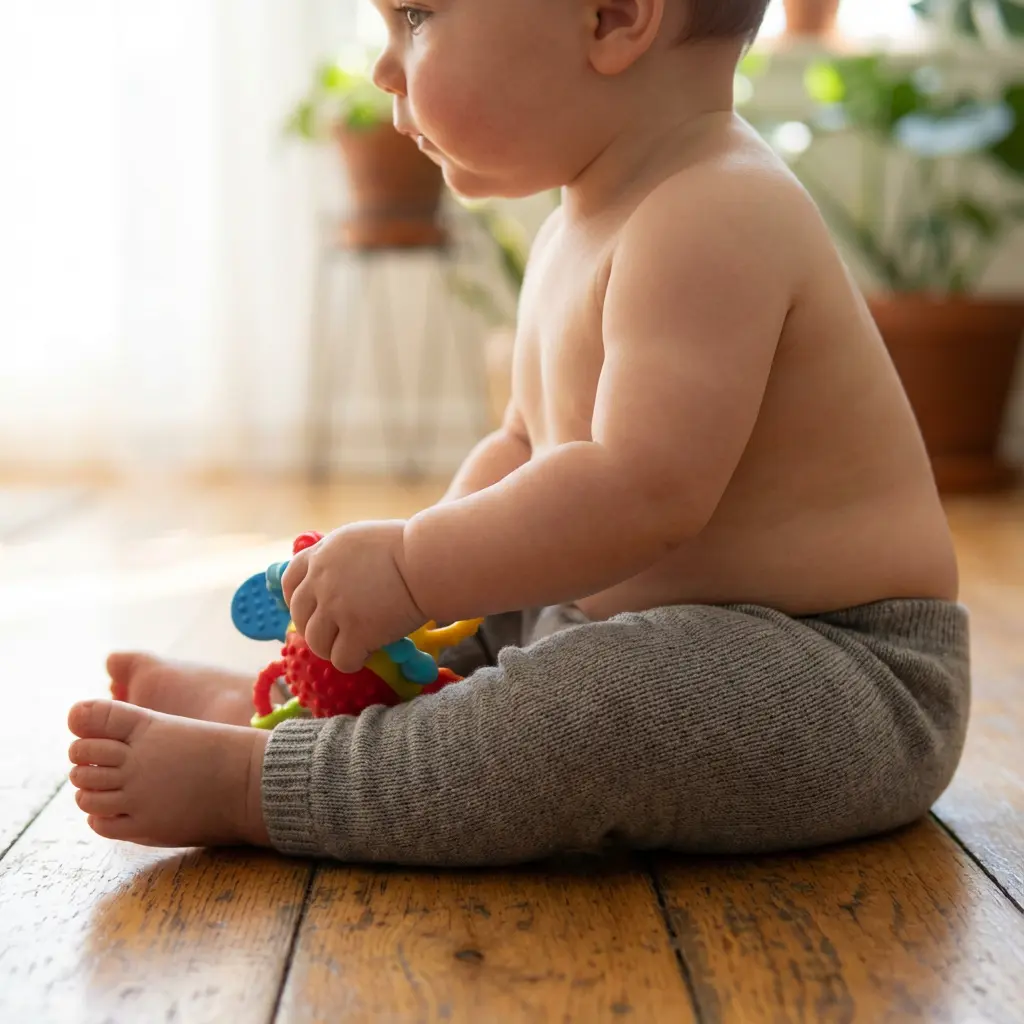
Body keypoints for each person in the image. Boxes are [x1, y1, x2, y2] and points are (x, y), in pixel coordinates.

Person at [67, 0, 969, 865]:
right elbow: (527, 453)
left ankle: (264, 783)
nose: (383, 67)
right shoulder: (581, 224)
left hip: (843, 679)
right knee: (493, 619)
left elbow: (640, 491)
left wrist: (413, 565)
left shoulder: (716, 212)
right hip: (635, 627)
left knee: (588, 705)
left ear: (612, 17)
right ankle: (297, 709)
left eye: (416, 16)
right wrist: (420, 596)